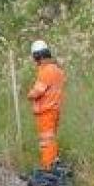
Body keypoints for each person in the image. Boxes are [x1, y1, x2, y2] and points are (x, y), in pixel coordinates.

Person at [26, 40, 65, 173]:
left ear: (37, 56)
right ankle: (54, 163)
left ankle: (48, 169)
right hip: (55, 109)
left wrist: (29, 94)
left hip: (46, 111)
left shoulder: (46, 71)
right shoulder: (57, 70)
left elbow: (38, 91)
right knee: (51, 138)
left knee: (46, 141)